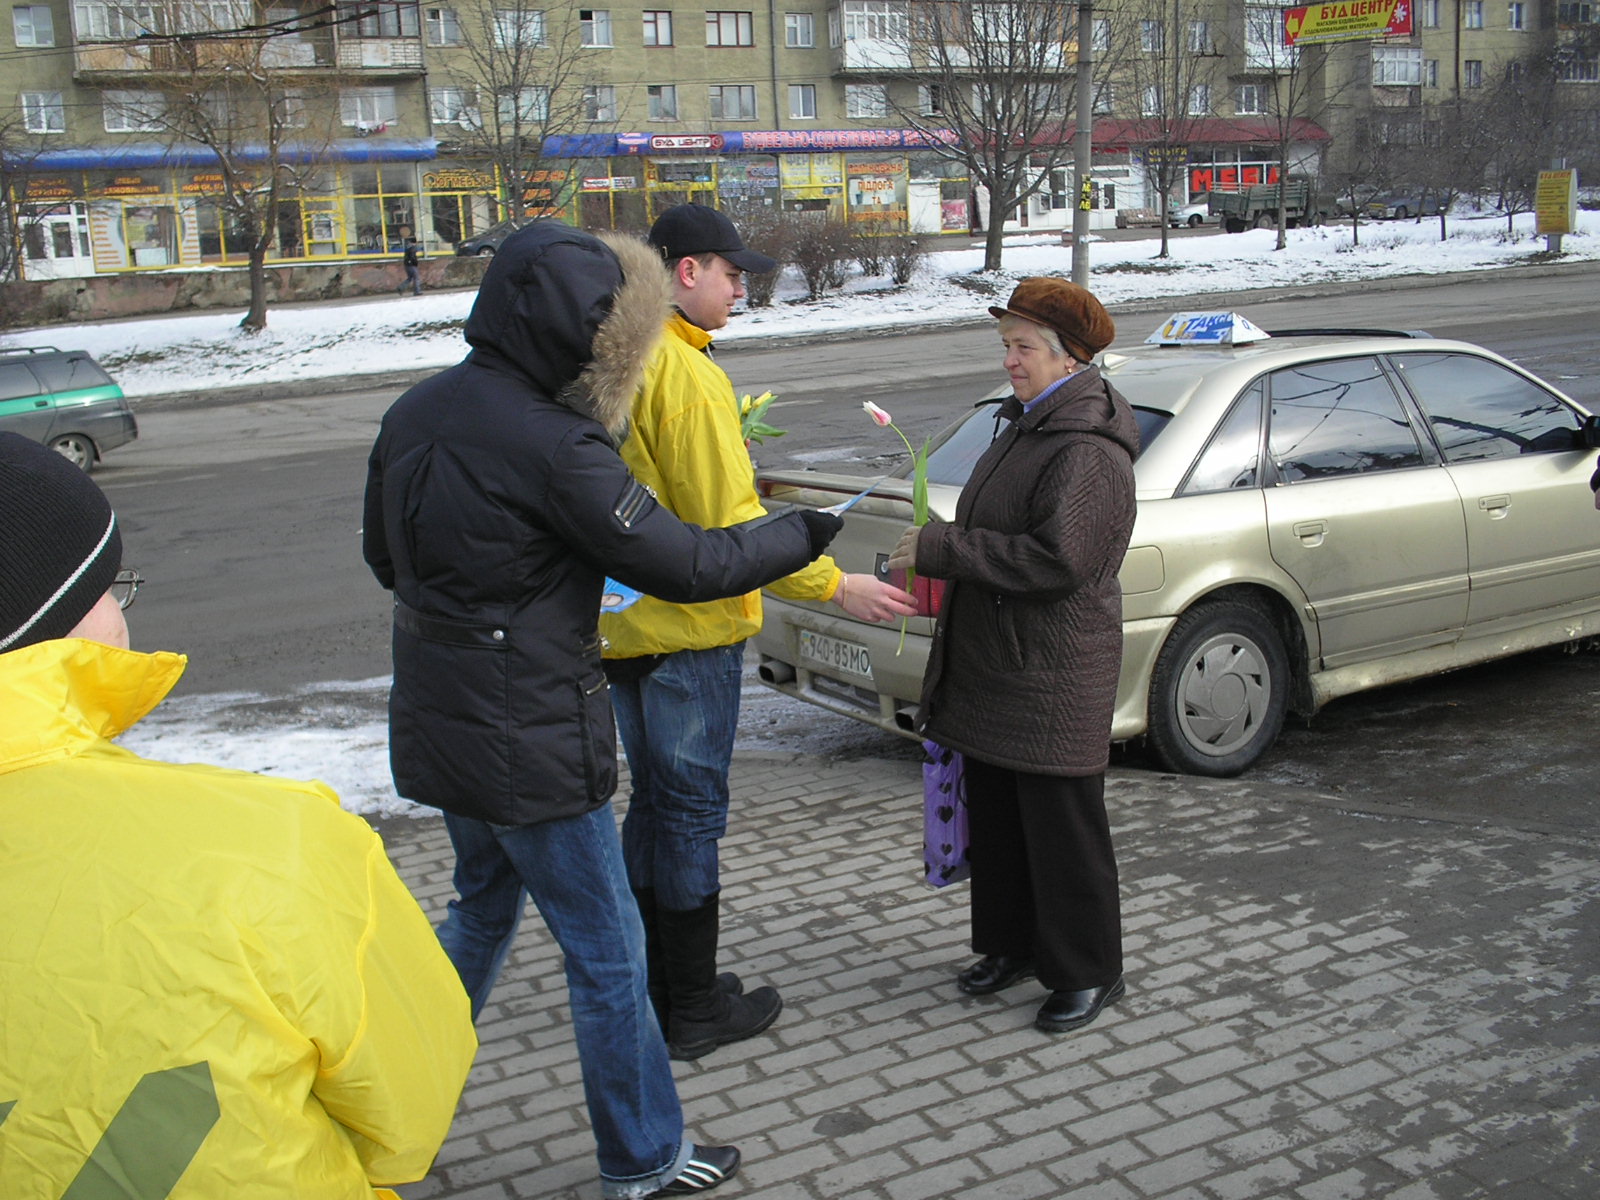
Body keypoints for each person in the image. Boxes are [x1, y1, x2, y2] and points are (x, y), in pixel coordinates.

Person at [362, 219, 841, 1199]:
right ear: (569, 328)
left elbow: (384, 559)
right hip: (528, 732)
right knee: (610, 953)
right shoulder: (554, 441)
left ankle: (379, 1109)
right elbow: (691, 563)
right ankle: (643, 1158)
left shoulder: (416, 411)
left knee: (478, 911)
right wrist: (801, 535)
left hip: (441, 711)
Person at [0, 432, 476, 1197]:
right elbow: (409, 1119)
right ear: (52, 617)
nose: (123, 611)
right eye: (111, 587)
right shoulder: (274, 845)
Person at [600, 202, 917, 1062]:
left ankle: (658, 987)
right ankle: (693, 1008)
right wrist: (833, 581)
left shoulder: (620, 355)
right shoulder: (686, 374)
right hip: (688, 629)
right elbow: (727, 522)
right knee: (692, 812)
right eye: (732, 272)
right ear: (684, 272)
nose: (743, 288)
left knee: (657, 810)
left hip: (626, 626)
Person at [886, 277, 1139, 1036]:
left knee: (1062, 832)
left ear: (1071, 360)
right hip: (1001, 666)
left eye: (1024, 348)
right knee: (998, 819)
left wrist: (943, 548)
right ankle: (1011, 946)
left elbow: (1059, 560)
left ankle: (1090, 971)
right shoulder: (1025, 426)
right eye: (1007, 346)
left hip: (1052, 673)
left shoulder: (1087, 448)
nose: (1011, 361)